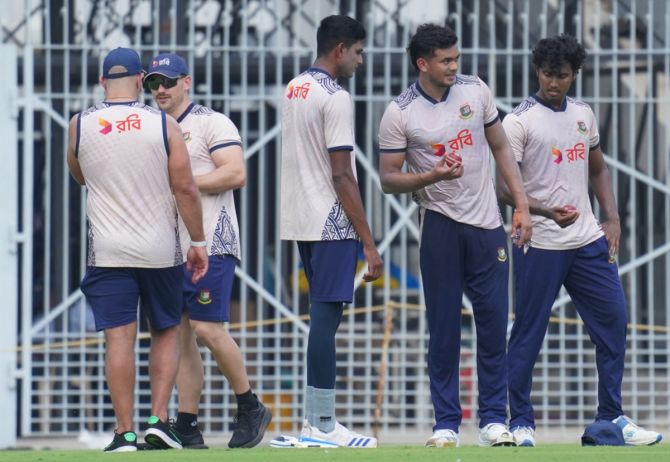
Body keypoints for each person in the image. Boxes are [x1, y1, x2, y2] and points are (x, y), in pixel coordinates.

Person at [499, 34, 663, 447]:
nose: (554, 82)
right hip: (543, 242)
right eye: (548, 74)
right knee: (529, 332)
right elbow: (503, 189)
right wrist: (541, 211)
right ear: (538, 71)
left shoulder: (583, 114)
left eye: (563, 75)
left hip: (588, 239)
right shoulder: (518, 122)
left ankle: (610, 419)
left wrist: (611, 217)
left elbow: (598, 168)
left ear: (575, 75)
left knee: (613, 322)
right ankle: (521, 421)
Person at [377, 24, 532, 448]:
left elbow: (501, 147)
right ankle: (446, 423)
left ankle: (492, 421)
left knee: (493, 324)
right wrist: (430, 175)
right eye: (445, 60)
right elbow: (388, 179)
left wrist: (520, 204)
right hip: (440, 225)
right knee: (443, 328)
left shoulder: (475, 90)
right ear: (422, 63)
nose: (453, 67)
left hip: (487, 226)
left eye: (455, 58)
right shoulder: (400, 111)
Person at [66, 47, 209, 452]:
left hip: (108, 250)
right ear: (142, 78)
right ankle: (158, 421)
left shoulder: (79, 124)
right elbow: (185, 187)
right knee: (165, 330)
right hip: (159, 247)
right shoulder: (163, 124)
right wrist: (198, 242)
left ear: (101, 82)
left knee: (118, 339)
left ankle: (124, 432)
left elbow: (79, 174)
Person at [144, 53, 272, 448]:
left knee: (206, 327)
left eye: (167, 81)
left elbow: (236, 172)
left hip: (212, 241)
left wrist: (185, 183)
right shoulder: (152, 128)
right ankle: (187, 423)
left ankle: (250, 406)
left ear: (187, 81)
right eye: (153, 83)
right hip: (168, 248)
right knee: (180, 337)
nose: (160, 90)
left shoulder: (211, 122)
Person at [278, 15, 383, 448]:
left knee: (319, 320)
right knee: (326, 321)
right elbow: (342, 175)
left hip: (299, 217)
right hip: (331, 220)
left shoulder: (294, 87)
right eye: (358, 51)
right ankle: (322, 424)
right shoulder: (335, 97)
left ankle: (312, 423)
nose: (361, 60)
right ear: (340, 49)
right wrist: (370, 244)